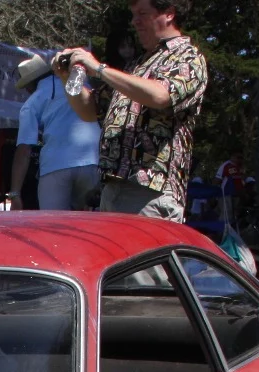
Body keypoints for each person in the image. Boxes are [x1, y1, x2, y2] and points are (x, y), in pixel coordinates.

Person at [59, 0, 208, 221]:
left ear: (169, 14)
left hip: (150, 193)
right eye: (133, 14)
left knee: (146, 256)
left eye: (142, 13)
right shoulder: (136, 66)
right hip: (113, 188)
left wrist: (100, 69)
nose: (134, 21)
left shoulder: (188, 57)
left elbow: (160, 95)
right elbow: (89, 110)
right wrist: (66, 76)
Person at [7, 55, 101, 212]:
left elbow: (24, 150)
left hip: (55, 165)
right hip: (92, 160)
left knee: (54, 226)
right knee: (92, 226)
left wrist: (15, 193)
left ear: (30, 85)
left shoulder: (32, 102)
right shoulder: (80, 85)